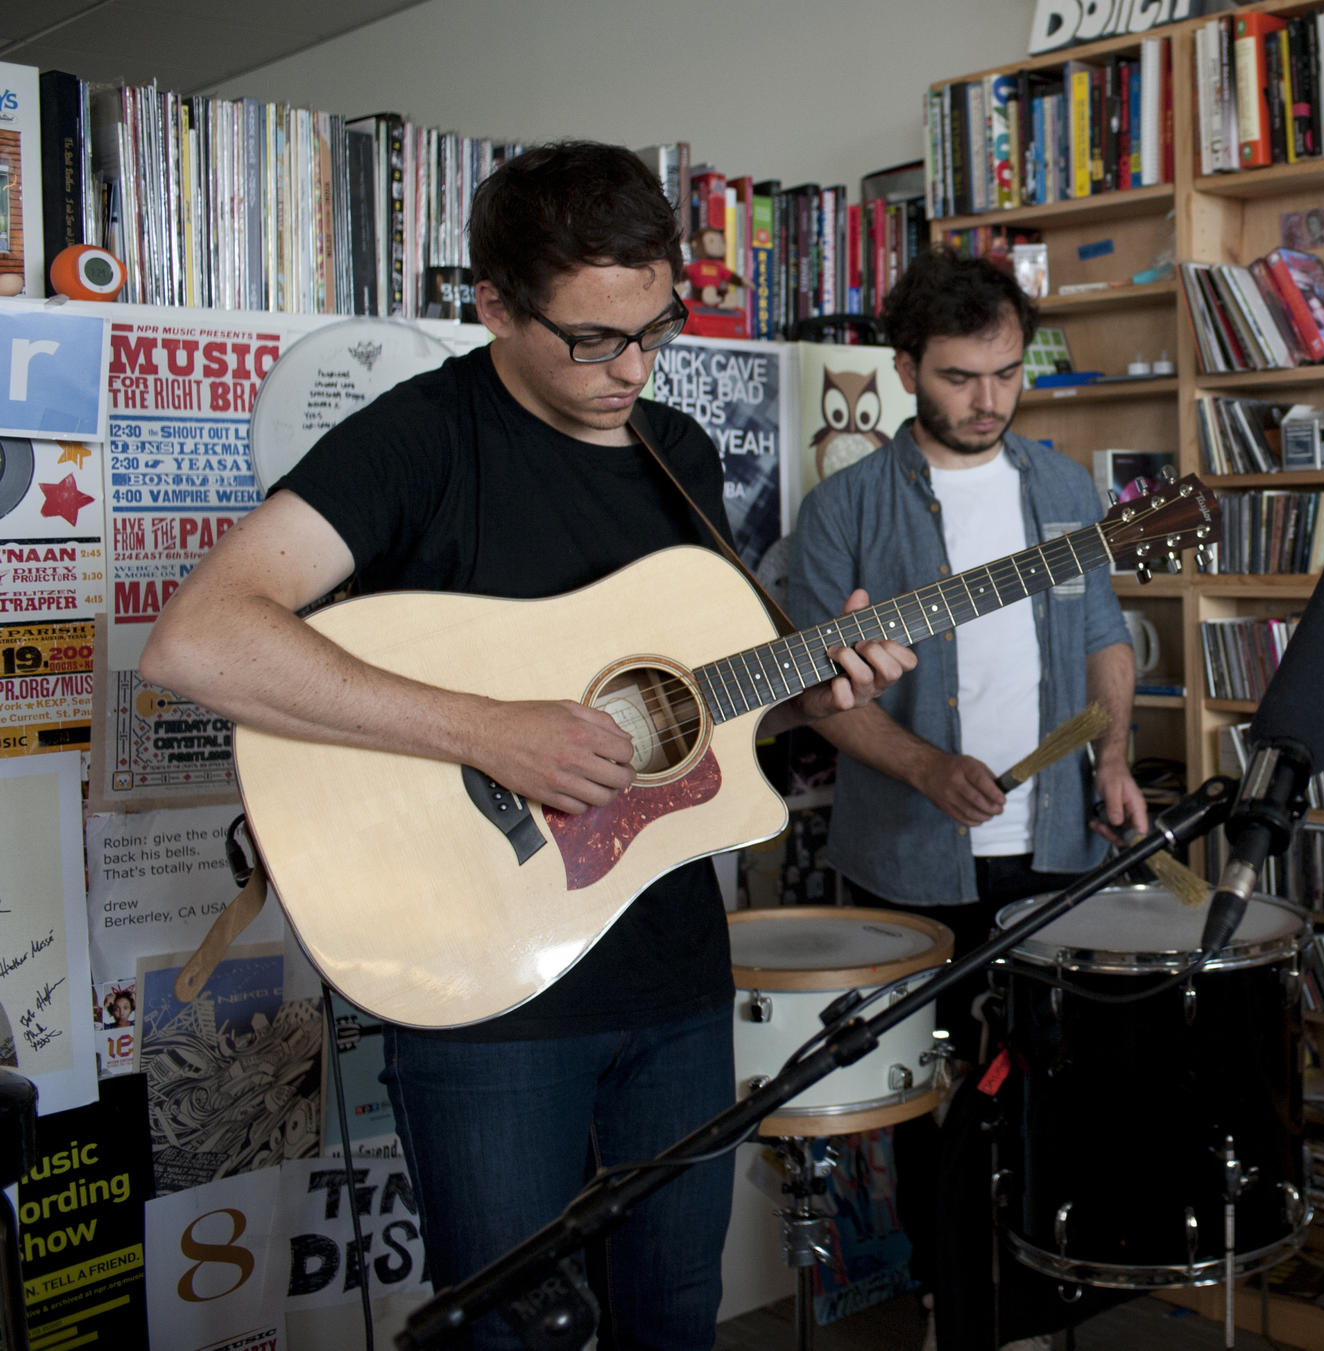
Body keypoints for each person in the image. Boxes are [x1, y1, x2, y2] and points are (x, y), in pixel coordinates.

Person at [139, 141, 912, 1351]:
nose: (633, 368)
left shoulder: (680, 453)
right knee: (506, 1332)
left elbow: (696, 712)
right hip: (482, 984)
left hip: (668, 971)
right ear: (493, 305)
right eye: (593, 339)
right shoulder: (418, 439)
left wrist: (823, 688)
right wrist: (492, 731)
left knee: (673, 1316)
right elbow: (197, 640)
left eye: (656, 328)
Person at [788, 247, 1146, 1350]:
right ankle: (957, 1310)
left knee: (1051, 1091)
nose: (988, 400)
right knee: (936, 1106)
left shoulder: (1063, 486)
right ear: (905, 371)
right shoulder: (844, 507)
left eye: (1005, 372)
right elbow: (814, 692)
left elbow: (1103, 639)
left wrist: (1119, 757)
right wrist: (925, 768)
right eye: (959, 376)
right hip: (909, 857)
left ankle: (1038, 1309)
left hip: (1054, 843)